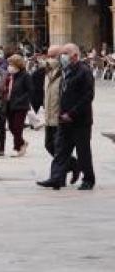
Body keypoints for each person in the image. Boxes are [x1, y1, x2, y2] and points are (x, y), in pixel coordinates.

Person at [38, 44, 95, 190]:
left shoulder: (84, 72)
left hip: (80, 120)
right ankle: (56, 178)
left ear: (74, 55)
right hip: (64, 119)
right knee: (61, 151)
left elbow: (87, 96)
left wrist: (72, 113)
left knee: (83, 151)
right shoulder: (65, 71)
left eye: (65, 54)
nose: (61, 57)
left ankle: (88, 179)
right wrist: (61, 113)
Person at [5, 54, 32, 156]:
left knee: (17, 127)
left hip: (21, 105)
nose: (9, 66)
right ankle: (22, 142)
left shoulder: (25, 76)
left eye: (11, 64)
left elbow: (30, 90)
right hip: (9, 104)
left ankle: (18, 148)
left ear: (18, 65)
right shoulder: (12, 76)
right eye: (9, 64)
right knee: (11, 126)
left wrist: (21, 99)